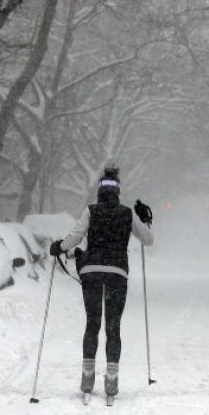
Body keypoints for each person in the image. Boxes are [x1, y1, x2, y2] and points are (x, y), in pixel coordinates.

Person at [49, 166, 154, 397]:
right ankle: (112, 379)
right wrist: (146, 220)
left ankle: (87, 377)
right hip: (117, 272)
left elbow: (75, 237)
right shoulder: (128, 214)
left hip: (92, 271)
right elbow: (148, 240)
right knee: (113, 326)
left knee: (93, 323)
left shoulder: (91, 211)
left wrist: (59, 247)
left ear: (99, 190)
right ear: (118, 191)